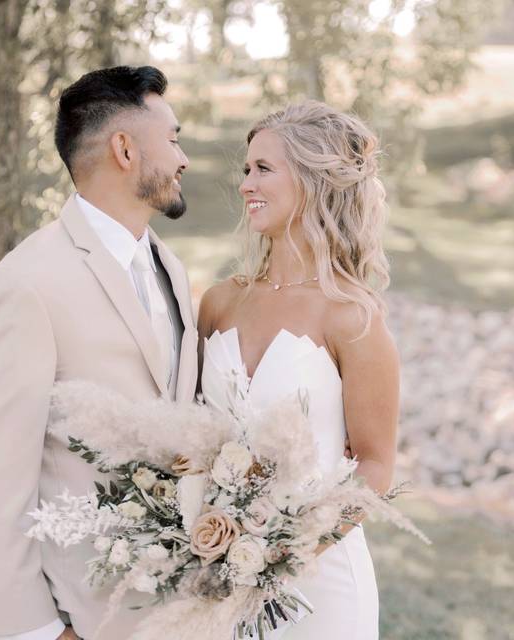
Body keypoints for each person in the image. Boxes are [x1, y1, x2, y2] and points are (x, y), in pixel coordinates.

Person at [0, 66, 197, 640]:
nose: (184, 158)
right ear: (125, 149)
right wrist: (34, 629)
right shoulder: (25, 284)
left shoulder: (171, 268)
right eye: (174, 138)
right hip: (82, 615)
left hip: (180, 608)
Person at [197, 101, 399, 639]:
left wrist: (284, 551)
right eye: (246, 169)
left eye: (263, 169)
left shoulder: (352, 316)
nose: (246, 185)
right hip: (219, 571)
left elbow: (376, 465)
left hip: (320, 584)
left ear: (312, 181)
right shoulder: (220, 303)